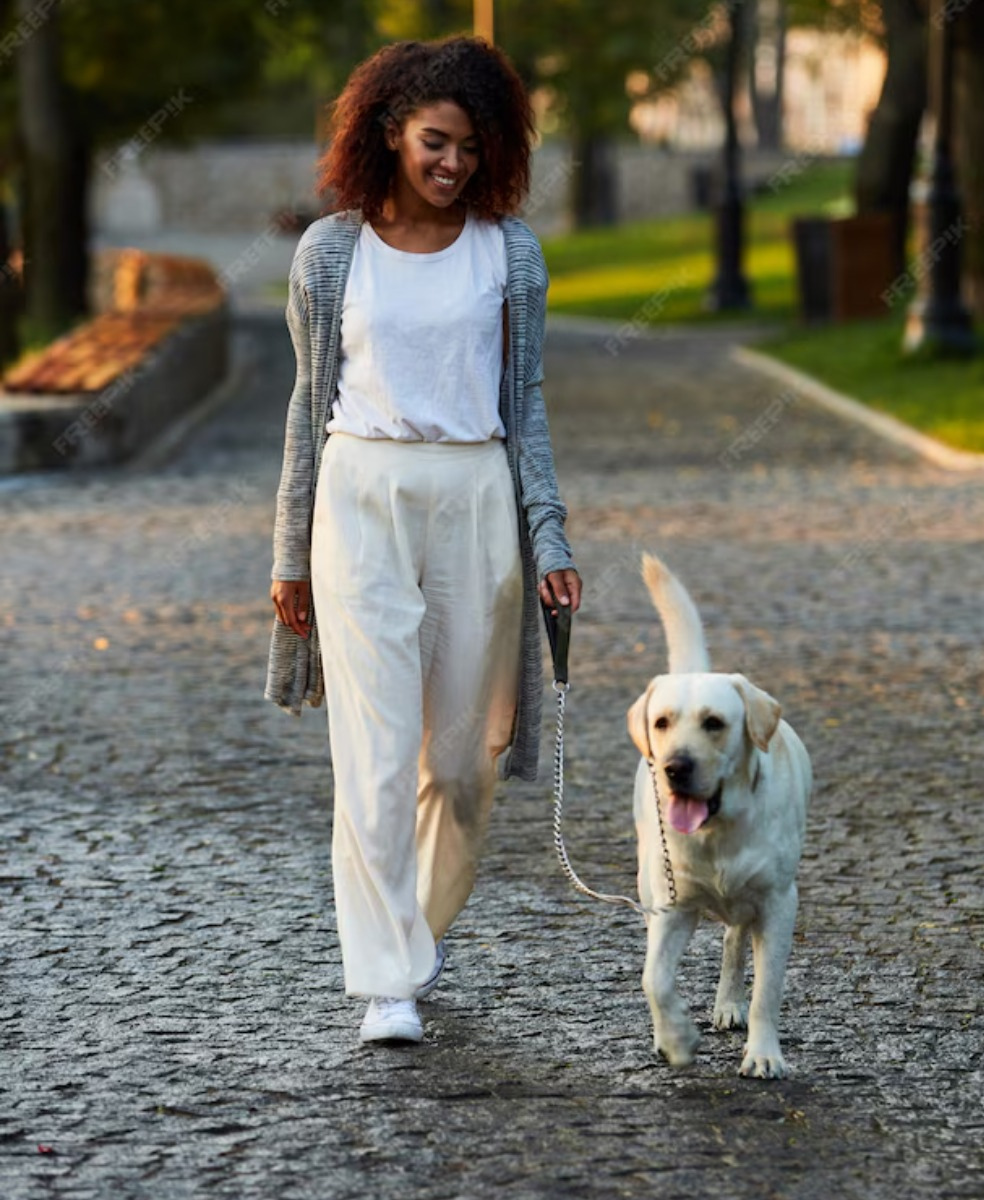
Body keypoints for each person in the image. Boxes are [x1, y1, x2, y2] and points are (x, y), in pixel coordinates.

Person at [264, 36, 582, 1045]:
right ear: (390, 131)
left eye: (474, 148)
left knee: (457, 763)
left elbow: (524, 405)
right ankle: (385, 981)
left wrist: (550, 534)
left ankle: (418, 931)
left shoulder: (510, 253)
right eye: (437, 142)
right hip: (358, 496)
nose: (455, 164)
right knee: (371, 751)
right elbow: (308, 404)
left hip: (476, 497)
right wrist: (286, 550)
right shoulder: (330, 252)